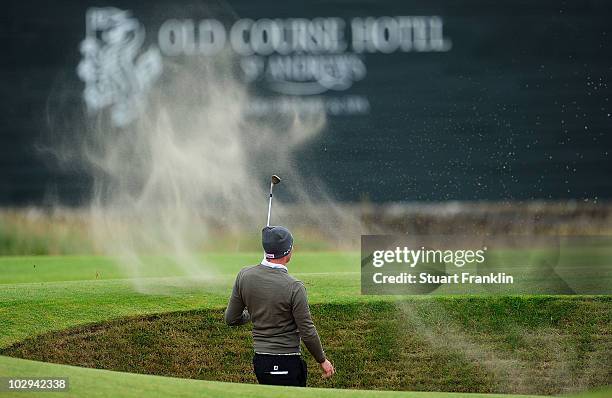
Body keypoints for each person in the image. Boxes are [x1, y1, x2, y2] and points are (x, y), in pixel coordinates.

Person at [224, 225, 335, 387]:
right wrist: (322, 360)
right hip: (286, 361)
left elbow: (231, 318)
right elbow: (307, 330)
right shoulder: (295, 287)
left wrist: (253, 313)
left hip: (261, 362)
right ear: (288, 251)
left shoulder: (244, 276)